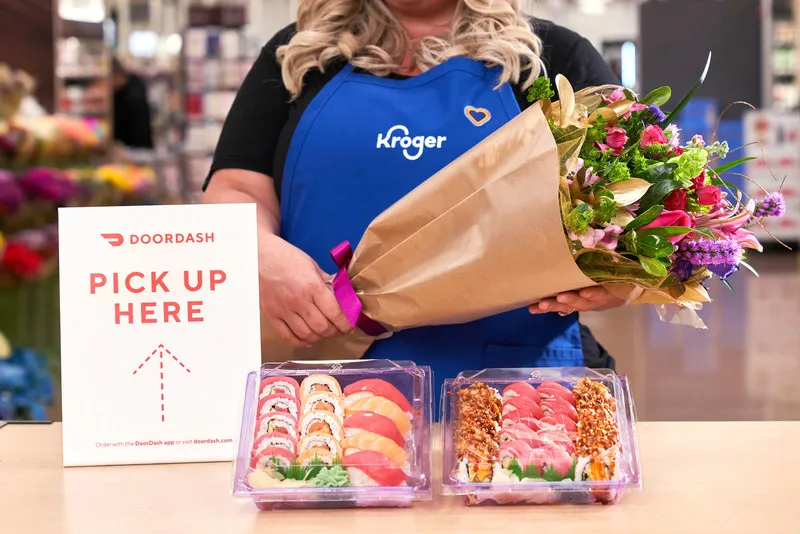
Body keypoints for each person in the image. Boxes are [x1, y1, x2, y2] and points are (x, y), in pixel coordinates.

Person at [203, 0, 623, 392]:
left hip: (514, 385)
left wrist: (621, 279)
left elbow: (628, 202)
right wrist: (262, 255)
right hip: (323, 380)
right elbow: (236, 187)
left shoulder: (552, 59)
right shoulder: (298, 55)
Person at [111, 58, 154, 149]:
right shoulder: (134, 87)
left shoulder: (132, 95)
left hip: (135, 148)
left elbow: (138, 129)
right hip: (137, 147)